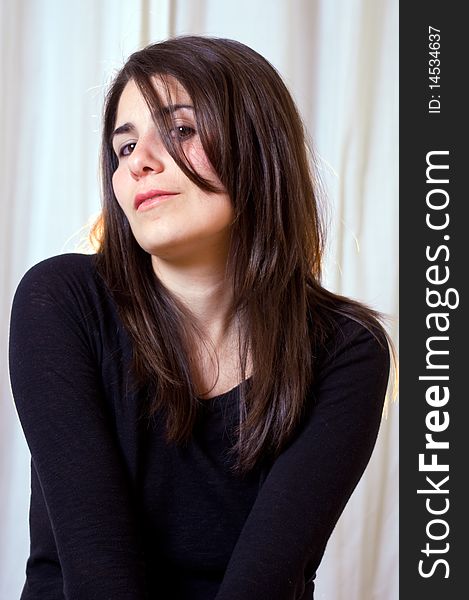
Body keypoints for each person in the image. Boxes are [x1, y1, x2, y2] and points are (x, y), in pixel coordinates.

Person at [9, 36, 392, 600]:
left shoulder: (345, 351)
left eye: (181, 129)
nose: (139, 161)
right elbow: (98, 578)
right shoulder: (60, 301)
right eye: (123, 146)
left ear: (258, 146)